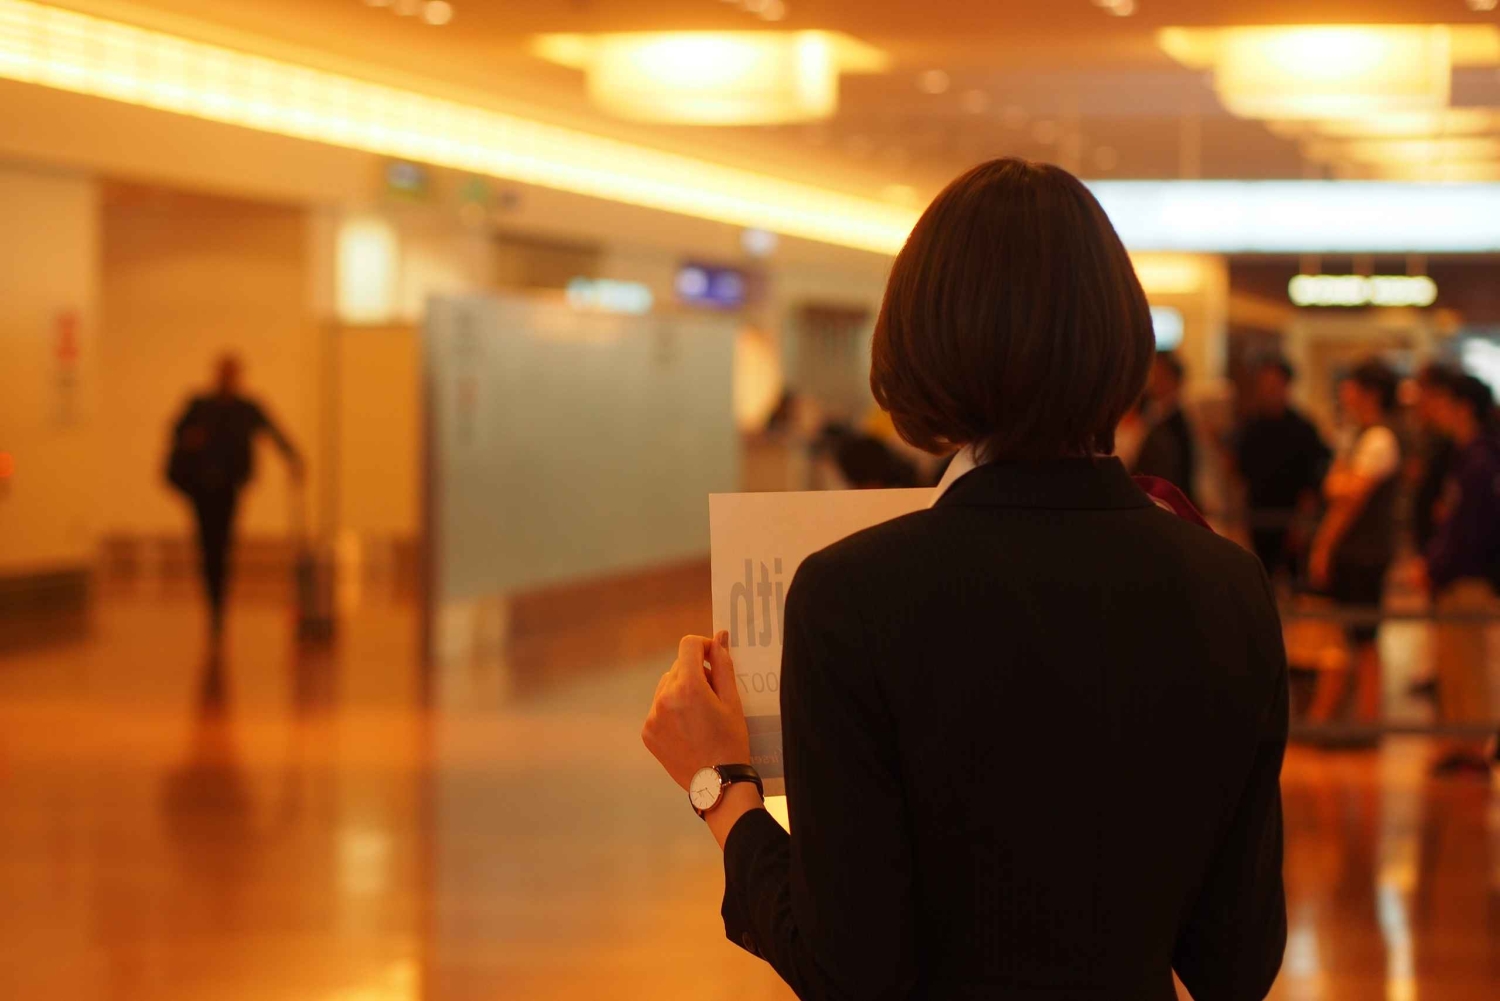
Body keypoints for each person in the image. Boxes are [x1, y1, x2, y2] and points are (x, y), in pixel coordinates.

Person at [642, 159, 1287, 1001]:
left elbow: (851, 969)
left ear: (920, 339)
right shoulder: (1228, 586)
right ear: (1120, 336)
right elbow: (1233, 962)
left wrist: (719, 787)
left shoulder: (855, 595)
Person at [166, 355, 302, 640]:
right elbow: (176, 435)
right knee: (208, 547)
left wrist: (293, 459)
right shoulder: (200, 406)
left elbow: (274, 433)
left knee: (222, 546)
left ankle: (218, 607)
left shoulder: (245, 408)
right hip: (201, 490)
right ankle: (214, 605)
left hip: (229, 489)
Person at [1305, 360, 1402, 729]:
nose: (1345, 393)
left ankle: (1364, 719)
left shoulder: (1379, 438)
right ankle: (1340, 716)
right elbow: (1336, 486)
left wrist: (1323, 547)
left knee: (1361, 637)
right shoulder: (1359, 435)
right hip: (1357, 552)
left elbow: (1349, 495)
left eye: (1352, 386)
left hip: (1363, 553)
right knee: (1347, 636)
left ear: (1370, 393)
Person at [1418, 373, 1500, 775]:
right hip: (1455, 572)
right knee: (1454, 661)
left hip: (1466, 574)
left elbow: (1468, 527)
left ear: (1463, 407)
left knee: (1467, 662)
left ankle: (1471, 747)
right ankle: (1461, 744)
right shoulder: (1467, 456)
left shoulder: (1478, 461)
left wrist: (1438, 564)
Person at [1234, 358, 1331, 580]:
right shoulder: (1250, 427)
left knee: (1295, 580)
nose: (1268, 390)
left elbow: (1313, 477)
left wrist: (1302, 521)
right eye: (1264, 384)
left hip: (1291, 516)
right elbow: (1240, 473)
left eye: (1274, 384)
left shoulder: (1303, 428)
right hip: (1257, 515)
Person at [1134, 350, 1199, 505]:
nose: (1153, 380)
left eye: (1159, 374)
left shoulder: (1177, 422)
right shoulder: (1153, 412)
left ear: (1174, 379)